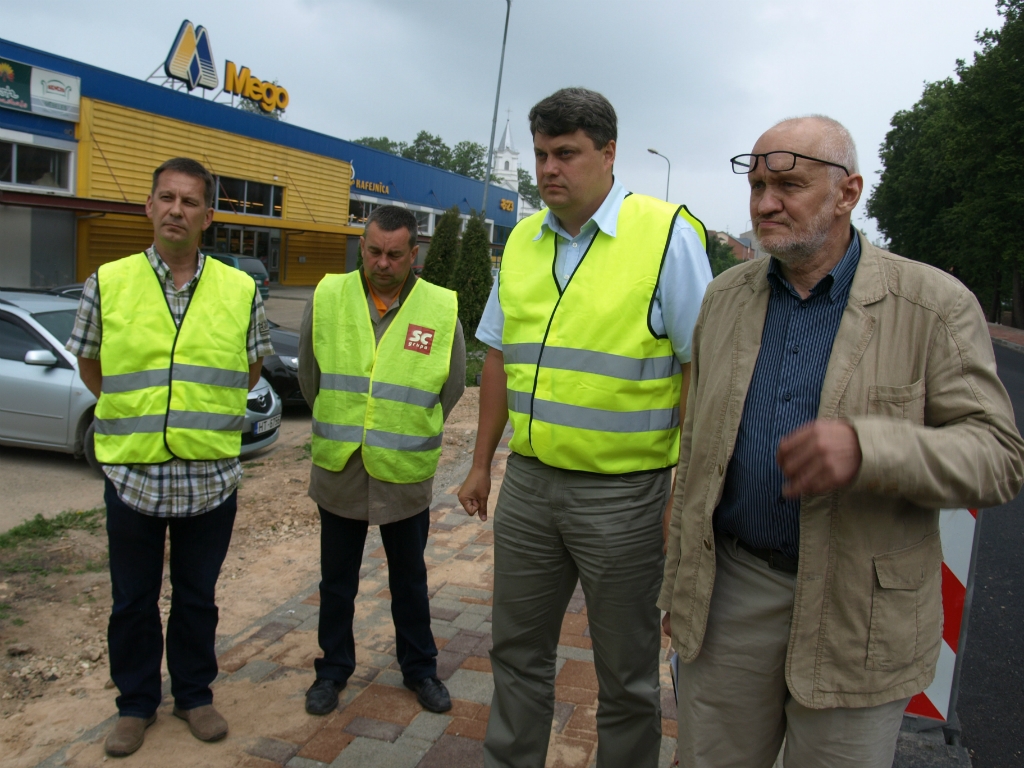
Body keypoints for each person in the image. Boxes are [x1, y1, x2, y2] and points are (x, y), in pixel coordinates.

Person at [660, 116, 1024, 768]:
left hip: (860, 611)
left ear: (847, 192)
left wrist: (870, 449)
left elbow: (998, 458)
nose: (765, 202)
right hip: (732, 598)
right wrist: (680, 581)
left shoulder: (934, 307)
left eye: (789, 185)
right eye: (758, 184)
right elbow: (699, 452)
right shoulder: (724, 299)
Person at [458, 87, 713, 768]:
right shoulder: (520, 241)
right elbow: (496, 356)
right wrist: (482, 462)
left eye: (565, 153)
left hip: (625, 498)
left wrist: (681, 495)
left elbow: (700, 369)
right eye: (541, 154)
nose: (548, 169)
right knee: (516, 652)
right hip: (531, 486)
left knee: (626, 672)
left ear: (608, 153)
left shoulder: (666, 236)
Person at [68, 157, 274, 758]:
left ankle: (193, 694)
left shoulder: (240, 288)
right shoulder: (107, 281)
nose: (176, 210)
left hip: (209, 475)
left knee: (197, 596)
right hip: (132, 471)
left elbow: (250, 365)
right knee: (131, 599)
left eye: (189, 201)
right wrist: (141, 409)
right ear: (149, 207)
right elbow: (90, 364)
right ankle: (134, 705)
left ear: (208, 216)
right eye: (166, 198)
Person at [298, 204, 465, 716]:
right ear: (362, 248)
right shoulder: (330, 296)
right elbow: (310, 374)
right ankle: (332, 671)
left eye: (395, 254)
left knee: (409, 579)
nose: (383, 263)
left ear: (413, 254)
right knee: (336, 581)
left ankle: (420, 670)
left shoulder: (438, 308)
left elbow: (452, 385)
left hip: (403, 472)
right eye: (374, 251)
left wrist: (403, 428)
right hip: (341, 466)